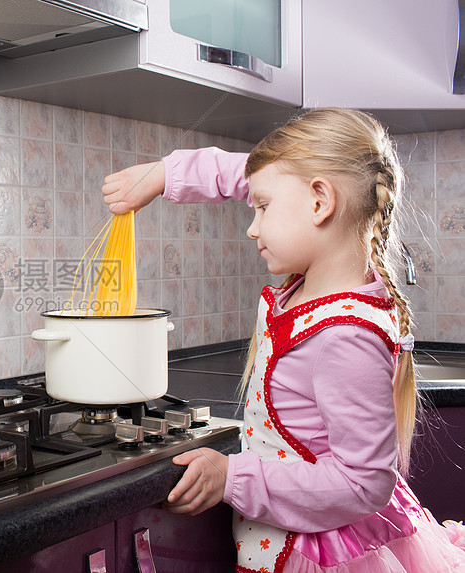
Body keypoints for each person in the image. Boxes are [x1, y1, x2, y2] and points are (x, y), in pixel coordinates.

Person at [101, 108, 465, 572]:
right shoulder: (325, 285)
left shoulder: (344, 336)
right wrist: (162, 175)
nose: (253, 225)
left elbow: (363, 484)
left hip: (320, 556)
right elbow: (255, 176)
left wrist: (233, 476)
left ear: (319, 203)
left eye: (263, 208)